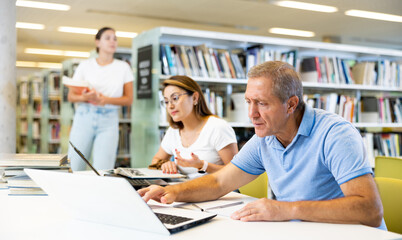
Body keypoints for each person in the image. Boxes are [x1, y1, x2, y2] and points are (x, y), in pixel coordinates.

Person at [139, 61, 386, 230]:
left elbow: (370, 210)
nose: (252, 114)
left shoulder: (335, 134)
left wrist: (284, 209)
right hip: (302, 232)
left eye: (261, 103)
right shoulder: (265, 138)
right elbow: (220, 182)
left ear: (291, 105)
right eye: (248, 102)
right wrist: (173, 192)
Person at [67, 27, 133, 171]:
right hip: (84, 116)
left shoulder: (123, 68)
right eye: (108, 38)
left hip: (108, 120)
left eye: (115, 38)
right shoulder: (85, 66)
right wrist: (85, 97)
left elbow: (129, 99)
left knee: (103, 169)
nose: (112, 41)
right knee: (74, 165)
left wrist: (105, 100)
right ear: (98, 42)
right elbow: (71, 96)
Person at [151, 75, 238, 179]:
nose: (170, 106)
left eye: (175, 98)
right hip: (183, 191)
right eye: (166, 101)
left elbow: (236, 173)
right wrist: (164, 164)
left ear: (195, 98)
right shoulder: (173, 131)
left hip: (217, 193)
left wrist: (202, 165)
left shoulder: (218, 127)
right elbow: (156, 160)